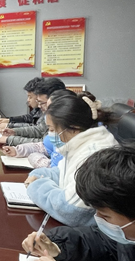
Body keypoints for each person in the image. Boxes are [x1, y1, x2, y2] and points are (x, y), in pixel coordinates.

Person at [24, 94, 117, 226]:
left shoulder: (94, 155)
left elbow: (70, 211)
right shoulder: (78, 143)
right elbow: (62, 173)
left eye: (52, 129)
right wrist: (38, 175)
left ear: (73, 128)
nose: (50, 134)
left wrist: (36, 185)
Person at [2, 89, 76, 168]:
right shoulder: (55, 136)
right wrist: (17, 150)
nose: (40, 106)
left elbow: (54, 169)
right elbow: (42, 147)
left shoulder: (73, 148)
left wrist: (34, 157)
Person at [0, 77, 66, 145]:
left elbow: (43, 144)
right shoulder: (49, 113)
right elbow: (39, 130)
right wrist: (14, 131)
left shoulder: (62, 117)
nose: (39, 106)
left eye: (41, 103)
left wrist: (10, 139)